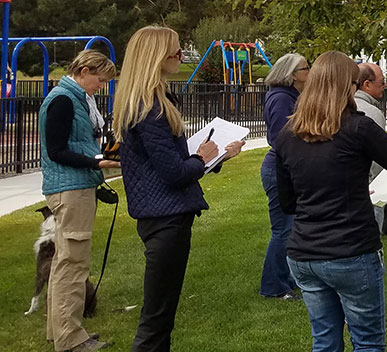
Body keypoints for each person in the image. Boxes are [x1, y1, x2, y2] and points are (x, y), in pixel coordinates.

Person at [273, 51, 387, 352]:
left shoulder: (288, 133)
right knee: (368, 342)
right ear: (349, 86)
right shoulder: (358, 128)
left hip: (305, 253)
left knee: (324, 341)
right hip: (351, 250)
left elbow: (288, 203)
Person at [113, 26, 246, 352]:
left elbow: (170, 163)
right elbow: (174, 172)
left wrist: (214, 158)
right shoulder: (150, 108)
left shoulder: (149, 101)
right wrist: (201, 157)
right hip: (165, 219)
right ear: (155, 56)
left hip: (163, 215)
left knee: (161, 315)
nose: (180, 56)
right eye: (174, 51)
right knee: (156, 319)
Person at [38, 50, 120, 352]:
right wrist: (97, 163)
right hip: (70, 190)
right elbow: (57, 150)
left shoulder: (71, 98)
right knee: (73, 264)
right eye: (100, 79)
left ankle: (59, 331)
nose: (101, 85)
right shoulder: (63, 100)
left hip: (73, 187)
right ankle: (70, 339)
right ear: (84, 71)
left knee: (64, 262)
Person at [259, 53, 309, 301]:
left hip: (284, 167)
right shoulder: (281, 98)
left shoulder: (290, 97)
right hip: (280, 169)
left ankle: (286, 280)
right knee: (283, 229)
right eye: (306, 68)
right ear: (292, 75)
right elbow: (281, 138)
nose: (309, 73)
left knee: (289, 228)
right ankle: (274, 286)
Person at [354, 63, 387, 228]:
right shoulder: (372, 113)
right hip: (369, 189)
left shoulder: (338, 107)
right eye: (382, 82)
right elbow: (378, 158)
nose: (385, 86)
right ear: (367, 84)